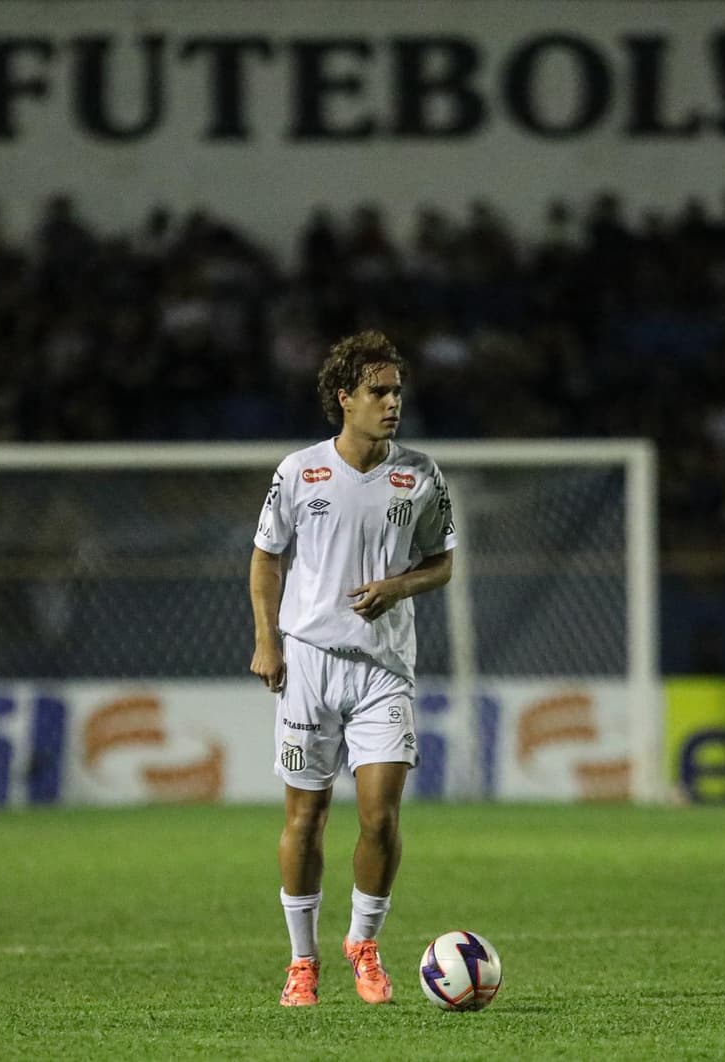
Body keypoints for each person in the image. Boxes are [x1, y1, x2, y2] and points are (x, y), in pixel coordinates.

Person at [249, 329, 456, 1006]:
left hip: (384, 669)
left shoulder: (420, 475)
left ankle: (364, 945)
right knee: (306, 818)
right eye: (378, 392)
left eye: (397, 391)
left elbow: (441, 562)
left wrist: (397, 587)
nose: (392, 403)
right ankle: (301, 963)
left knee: (380, 818)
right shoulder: (299, 471)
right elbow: (266, 557)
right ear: (346, 398)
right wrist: (267, 641)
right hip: (309, 661)